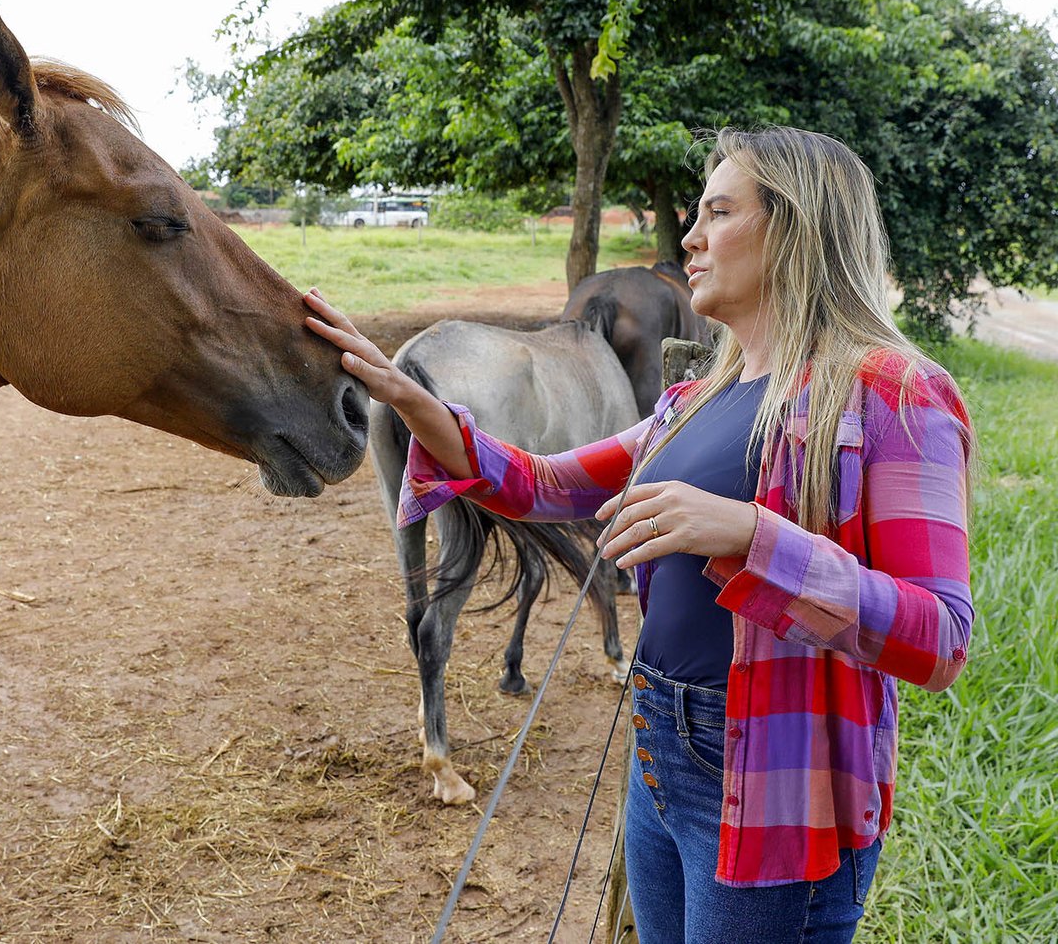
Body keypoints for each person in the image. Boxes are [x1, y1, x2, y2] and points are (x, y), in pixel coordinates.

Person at [303, 126, 974, 943]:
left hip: (773, 784)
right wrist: (405, 397)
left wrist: (751, 534)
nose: (687, 237)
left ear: (797, 229)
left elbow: (939, 637)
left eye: (718, 212)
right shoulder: (689, 401)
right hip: (661, 749)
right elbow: (542, 484)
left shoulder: (896, 393)